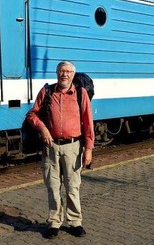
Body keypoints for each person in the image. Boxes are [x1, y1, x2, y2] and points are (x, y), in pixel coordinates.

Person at [25, 60, 94, 239]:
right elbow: (32, 114)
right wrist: (43, 128)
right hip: (51, 147)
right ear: (57, 73)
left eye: (68, 71)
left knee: (73, 186)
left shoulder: (81, 93)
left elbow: (88, 122)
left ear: (73, 75)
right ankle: (54, 222)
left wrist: (89, 149)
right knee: (53, 187)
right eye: (62, 71)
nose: (65, 74)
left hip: (73, 147)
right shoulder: (47, 92)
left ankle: (74, 222)